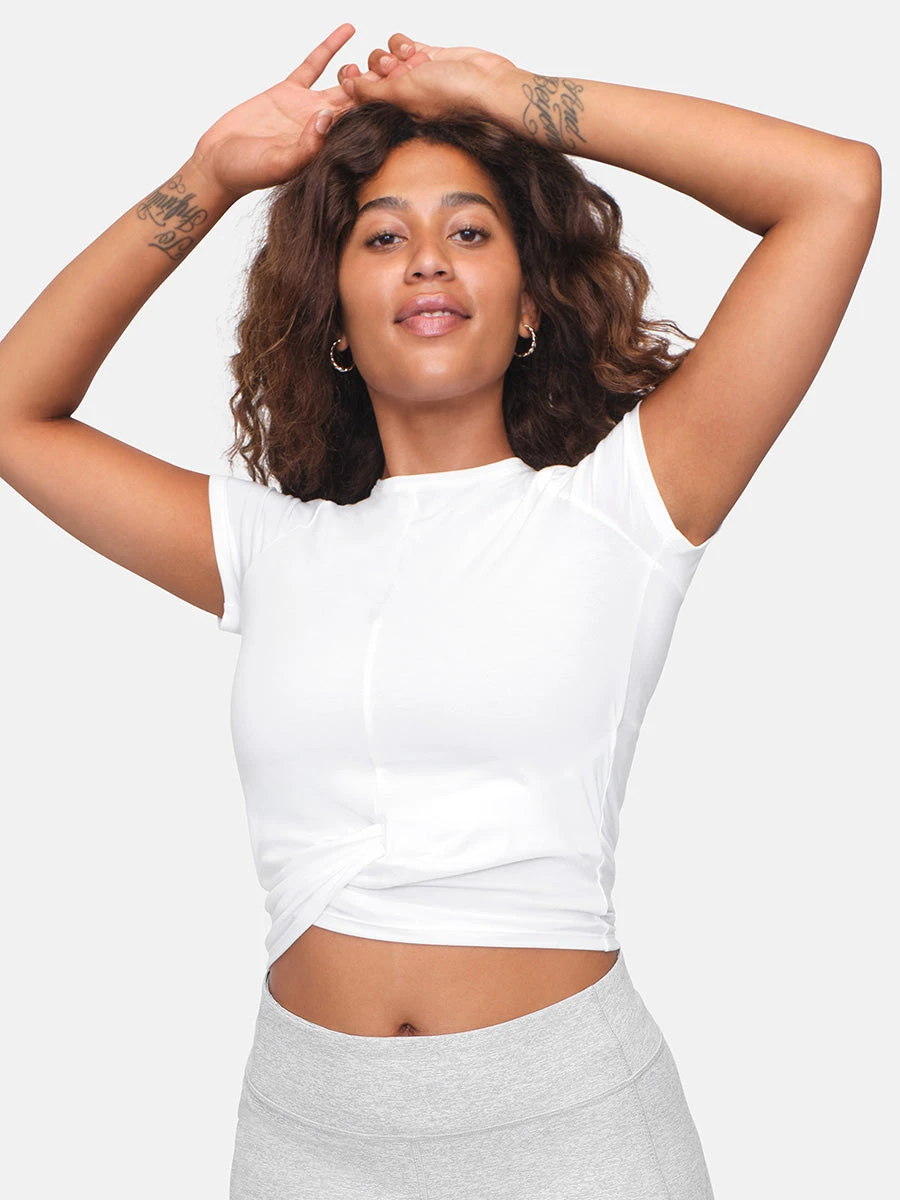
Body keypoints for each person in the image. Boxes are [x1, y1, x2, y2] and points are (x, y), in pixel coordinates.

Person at [0, 20, 880, 1200]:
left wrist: (517, 98)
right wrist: (208, 178)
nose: (427, 259)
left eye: (470, 231)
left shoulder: (624, 511)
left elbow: (835, 188)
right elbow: (14, 414)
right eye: (382, 236)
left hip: (570, 1128)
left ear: (528, 307)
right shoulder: (270, 550)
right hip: (306, 1137)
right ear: (334, 316)